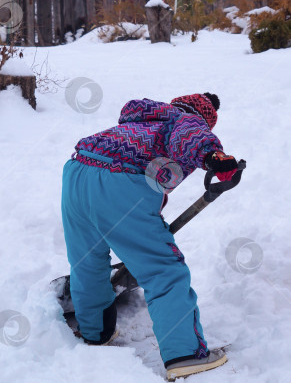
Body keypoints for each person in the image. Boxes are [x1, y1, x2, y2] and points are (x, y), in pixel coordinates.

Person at [60, 92, 238, 379]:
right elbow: (191, 136)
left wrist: (147, 222)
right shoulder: (185, 121)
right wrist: (215, 158)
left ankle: (95, 331)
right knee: (164, 271)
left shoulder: (142, 122)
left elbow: (154, 181)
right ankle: (185, 355)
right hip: (119, 185)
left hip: (77, 173)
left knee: (87, 260)